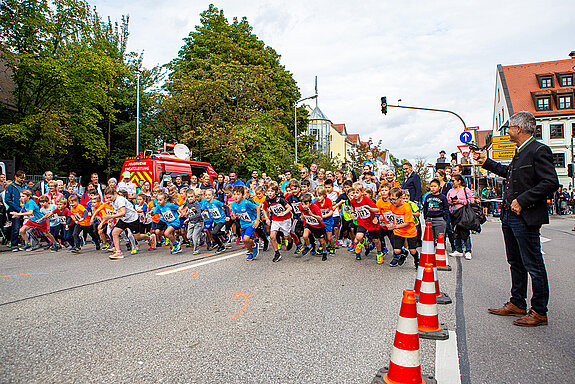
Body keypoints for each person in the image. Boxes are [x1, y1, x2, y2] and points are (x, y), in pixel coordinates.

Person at [474, 111, 559, 327]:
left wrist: (522, 200)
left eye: (510, 127)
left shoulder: (539, 150)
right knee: (515, 262)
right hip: (510, 216)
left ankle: (539, 311)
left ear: (519, 129)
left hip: (525, 216)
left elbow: (550, 182)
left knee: (533, 264)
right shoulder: (520, 152)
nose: (508, 130)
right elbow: (508, 172)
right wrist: (487, 162)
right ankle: (517, 302)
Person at [447, 175, 475, 260]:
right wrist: (451, 202)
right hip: (454, 213)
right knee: (456, 231)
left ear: (459, 181)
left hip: (464, 213)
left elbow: (472, 200)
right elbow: (447, 200)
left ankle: (468, 250)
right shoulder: (451, 191)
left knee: (465, 231)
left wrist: (460, 201)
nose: (452, 183)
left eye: (453, 181)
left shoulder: (466, 190)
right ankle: (458, 249)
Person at [4, 170, 26, 251]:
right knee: (15, 228)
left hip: (25, 210)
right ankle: (14, 245)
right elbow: (7, 200)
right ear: (15, 177)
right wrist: (18, 208)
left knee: (24, 227)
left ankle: (25, 243)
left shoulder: (24, 186)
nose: (22, 180)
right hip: (15, 211)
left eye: (23, 178)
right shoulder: (10, 187)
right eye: (20, 178)